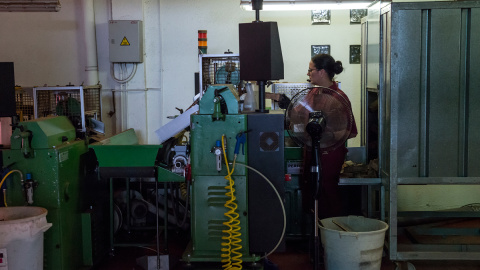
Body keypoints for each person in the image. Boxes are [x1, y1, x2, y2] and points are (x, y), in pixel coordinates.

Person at [301, 54, 358, 219]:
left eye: (311, 70)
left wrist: (328, 134)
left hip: (329, 156)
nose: (308, 74)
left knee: (326, 193)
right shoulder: (313, 93)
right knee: (311, 193)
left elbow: (351, 131)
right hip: (312, 152)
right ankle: (315, 234)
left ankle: (330, 234)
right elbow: (298, 113)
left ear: (322, 72)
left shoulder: (338, 98)